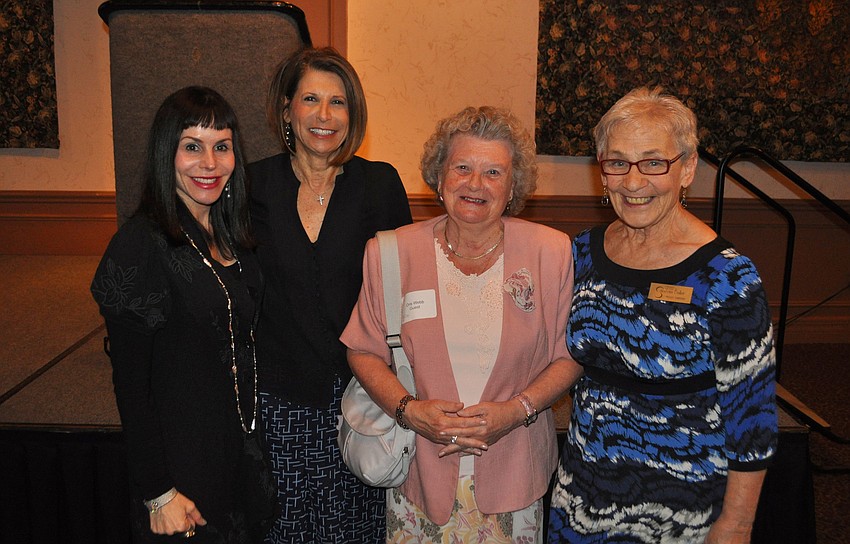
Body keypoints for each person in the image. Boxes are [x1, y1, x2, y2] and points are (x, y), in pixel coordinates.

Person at [341, 106, 583, 542]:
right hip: (418, 479)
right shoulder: (392, 254)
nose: (476, 184)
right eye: (462, 168)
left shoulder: (551, 252)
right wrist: (409, 411)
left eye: (493, 171)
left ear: (513, 187)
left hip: (515, 480)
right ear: (439, 178)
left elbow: (569, 357)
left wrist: (515, 412)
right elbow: (362, 349)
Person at [547, 87, 779, 543]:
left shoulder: (727, 276)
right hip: (582, 501)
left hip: (684, 510)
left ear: (687, 168)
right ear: (602, 171)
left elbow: (753, 418)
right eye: (617, 162)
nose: (633, 182)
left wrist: (737, 523)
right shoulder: (580, 254)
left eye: (654, 162)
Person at [91, 86, 270, 542]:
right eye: (192, 147)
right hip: (180, 480)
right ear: (165, 154)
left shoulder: (234, 234)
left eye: (222, 147)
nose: (209, 164)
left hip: (237, 457)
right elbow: (130, 386)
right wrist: (158, 493)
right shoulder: (139, 246)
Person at [248, 47, 412, 543]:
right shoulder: (251, 184)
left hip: (362, 402)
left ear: (353, 113)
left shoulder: (378, 183)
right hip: (279, 404)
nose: (324, 115)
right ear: (285, 109)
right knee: (284, 530)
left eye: (338, 102)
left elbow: (406, 292)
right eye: (310, 99)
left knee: (356, 532)